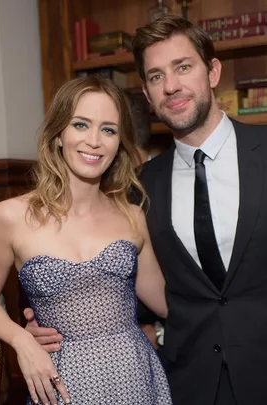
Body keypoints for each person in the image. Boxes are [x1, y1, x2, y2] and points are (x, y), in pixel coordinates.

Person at [24, 13, 267, 405]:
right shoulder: (138, 188)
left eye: (183, 67)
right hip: (188, 383)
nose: (171, 86)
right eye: (155, 77)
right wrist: (42, 323)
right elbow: (119, 278)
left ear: (213, 71)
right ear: (148, 95)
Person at [0, 76, 173, 404]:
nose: (94, 141)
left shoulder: (132, 216)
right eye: (81, 124)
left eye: (108, 129)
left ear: (120, 143)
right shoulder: (11, 217)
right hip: (61, 387)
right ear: (59, 134)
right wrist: (21, 340)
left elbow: (168, 303)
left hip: (135, 378)